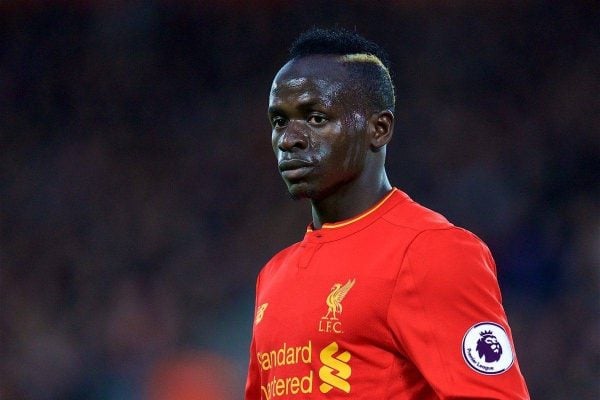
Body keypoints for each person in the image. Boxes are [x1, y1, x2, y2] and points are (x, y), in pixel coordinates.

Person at [245, 28, 529, 399]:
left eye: (315, 118)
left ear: (378, 129)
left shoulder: (431, 251)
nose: (288, 139)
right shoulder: (272, 276)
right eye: (280, 121)